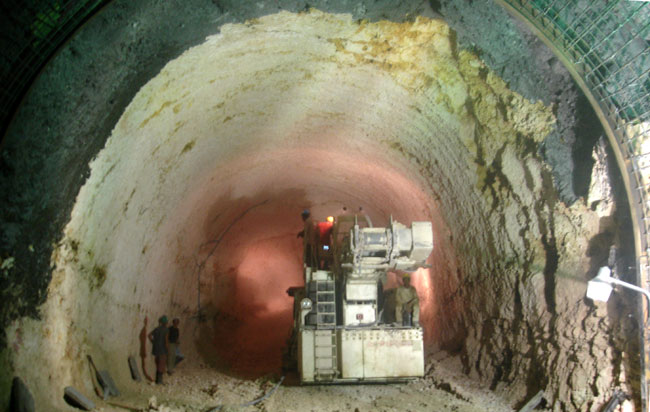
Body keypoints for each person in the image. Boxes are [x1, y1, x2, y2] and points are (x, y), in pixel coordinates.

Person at [148, 315, 169, 384]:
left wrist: (153, 342)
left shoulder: (157, 329)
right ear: (165, 323)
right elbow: (166, 341)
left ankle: (157, 379)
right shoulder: (166, 329)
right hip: (162, 349)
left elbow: (149, 335)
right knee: (162, 364)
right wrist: (167, 349)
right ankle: (159, 381)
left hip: (156, 348)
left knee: (157, 363)